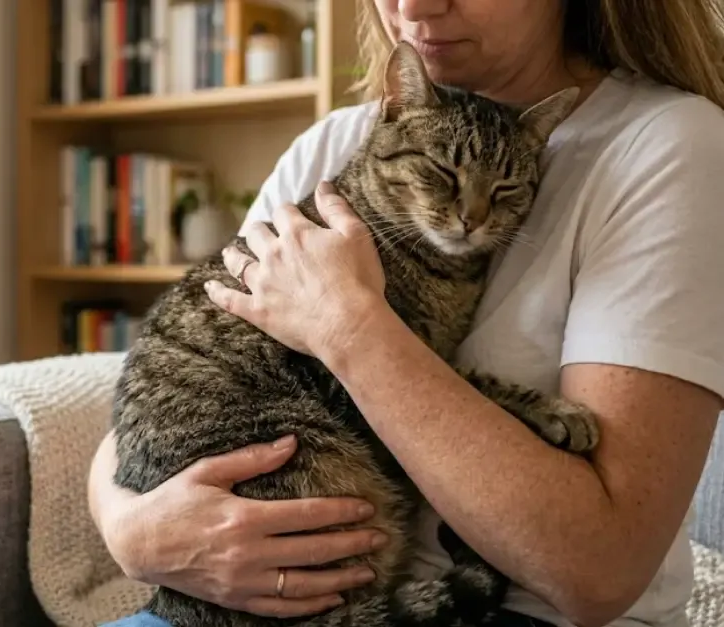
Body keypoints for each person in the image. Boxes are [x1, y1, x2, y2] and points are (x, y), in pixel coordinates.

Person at [87, 0, 724, 626]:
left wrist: (349, 328)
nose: (415, 6)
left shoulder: (668, 146)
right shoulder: (337, 143)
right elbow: (170, 383)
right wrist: (133, 535)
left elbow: (599, 576)